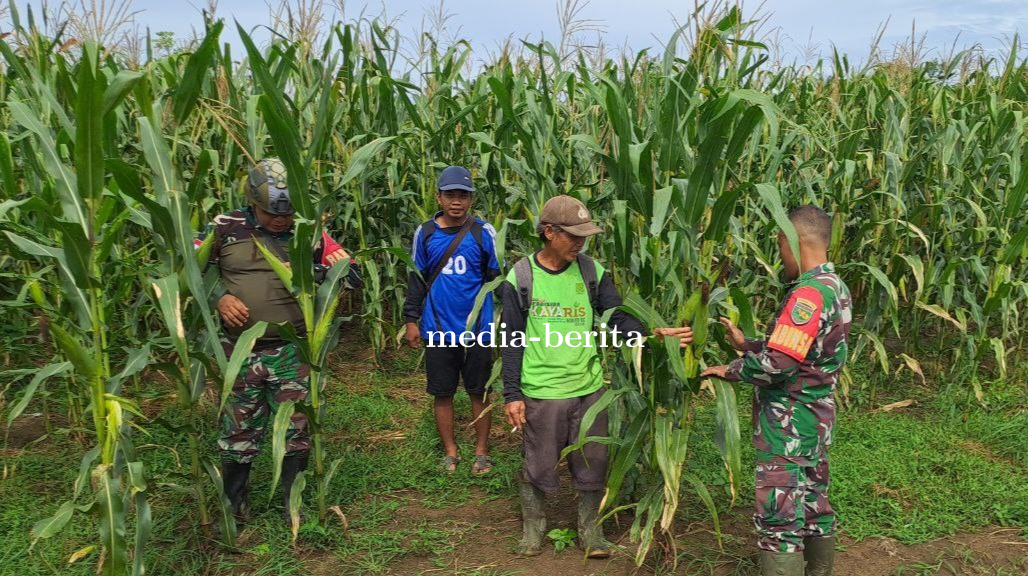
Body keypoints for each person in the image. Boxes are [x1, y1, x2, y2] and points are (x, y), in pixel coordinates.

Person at [499, 195, 693, 558]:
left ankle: (592, 532)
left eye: (584, 236)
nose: (580, 242)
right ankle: (533, 530)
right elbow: (511, 339)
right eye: (573, 235)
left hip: (590, 390)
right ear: (548, 232)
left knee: (593, 462)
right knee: (538, 463)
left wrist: (650, 336)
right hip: (542, 389)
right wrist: (512, 393)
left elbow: (616, 317)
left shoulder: (591, 272)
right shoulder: (522, 277)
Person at [199, 158, 362, 527]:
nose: (280, 221)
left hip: (292, 351)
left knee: (297, 429)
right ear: (252, 203)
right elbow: (191, 270)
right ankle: (234, 508)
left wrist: (312, 270)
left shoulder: (308, 232)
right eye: (272, 213)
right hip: (239, 352)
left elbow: (350, 273)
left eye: (286, 214)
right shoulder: (225, 228)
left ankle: (296, 507)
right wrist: (218, 297)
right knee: (238, 432)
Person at [701, 205, 851, 576]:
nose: (780, 254)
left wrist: (731, 369)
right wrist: (748, 345)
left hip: (788, 425)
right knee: (814, 503)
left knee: (779, 517)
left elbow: (780, 365)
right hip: (815, 419)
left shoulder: (807, 296)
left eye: (781, 244)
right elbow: (804, 352)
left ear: (793, 241)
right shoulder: (834, 287)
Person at [403, 166, 501, 475]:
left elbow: (495, 277)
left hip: (477, 329)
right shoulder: (426, 233)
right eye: (450, 195)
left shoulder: (483, 232)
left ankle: (482, 452)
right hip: (437, 327)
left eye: (463, 195)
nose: (456, 202)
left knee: (479, 391)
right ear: (439, 197)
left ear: (471, 199)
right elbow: (417, 277)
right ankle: (451, 452)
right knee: (442, 392)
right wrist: (411, 319)